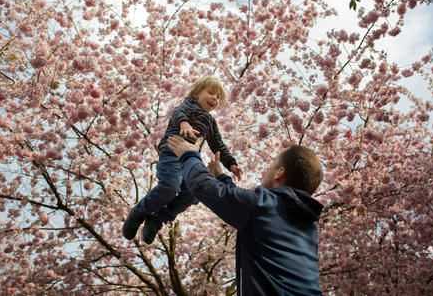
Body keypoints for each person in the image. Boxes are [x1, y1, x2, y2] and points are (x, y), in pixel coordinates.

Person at [165, 135, 324, 295]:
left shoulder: (263, 206)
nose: (267, 169)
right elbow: (239, 202)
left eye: (273, 163)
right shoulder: (307, 222)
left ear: (279, 173)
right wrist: (221, 177)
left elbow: (202, 186)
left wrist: (189, 154)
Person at [122, 76, 243, 244]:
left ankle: (159, 219)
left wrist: (231, 164)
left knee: (195, 193)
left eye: (218, 97)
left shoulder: (211, 122)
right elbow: (178, 112)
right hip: (173, 152)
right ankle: (139, 212)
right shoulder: (189, 105)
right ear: (196, 94)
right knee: (171, 186)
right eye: (211, 93)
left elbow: (218, 145)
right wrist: (184, 123)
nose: (215, 99)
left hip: (190, 161)